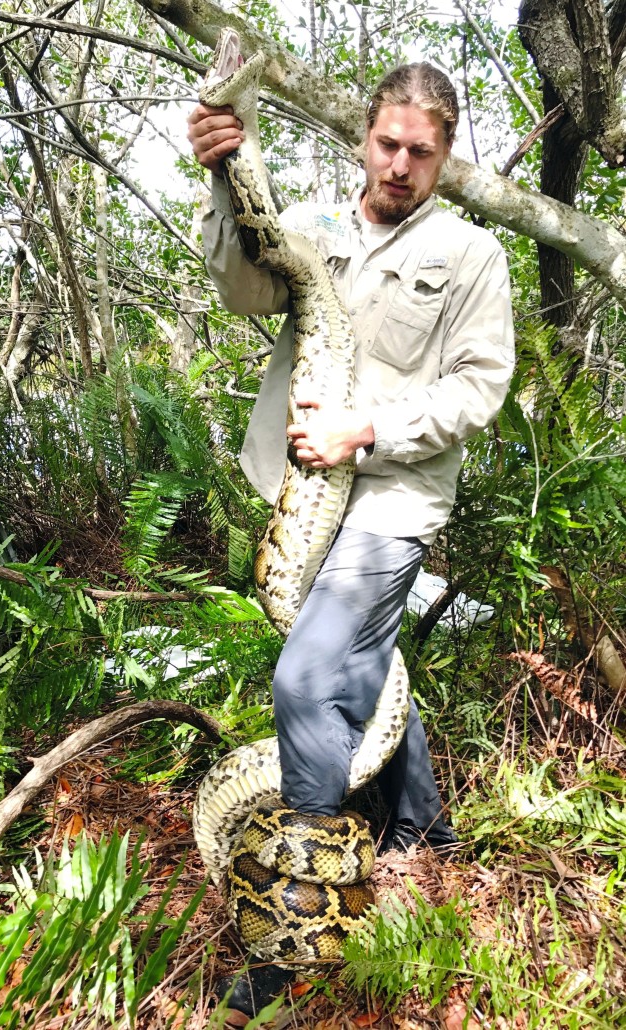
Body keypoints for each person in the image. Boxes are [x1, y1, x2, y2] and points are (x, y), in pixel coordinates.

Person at [188, 61, 514, 1010]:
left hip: (391, 497)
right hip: (303, 486)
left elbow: (476, 387)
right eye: (387, 143)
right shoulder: (323, 230)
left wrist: (362, 428)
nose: (400, 164)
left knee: (309, 674)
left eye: (422, 150)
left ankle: (292, 939)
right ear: (362, 138)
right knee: (362, 658)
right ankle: (422, 828)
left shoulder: (468, 256)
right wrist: (223, 174)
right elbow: (247, 291)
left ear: (446, 157)